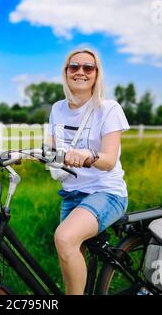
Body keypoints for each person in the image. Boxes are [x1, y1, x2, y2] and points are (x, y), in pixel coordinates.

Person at [47, 48, 130, 295]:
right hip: (71, 194)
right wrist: (20, 154)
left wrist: (88, 156)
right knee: (69, 252)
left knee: (64, 238)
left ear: (96, 74)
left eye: (88, 68)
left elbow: (109, 161)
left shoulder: (109, 109)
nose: (80, 72)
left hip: (107, 193)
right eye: (74, 67)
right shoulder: (58, 109)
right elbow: (50, 149)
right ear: (66, 72)